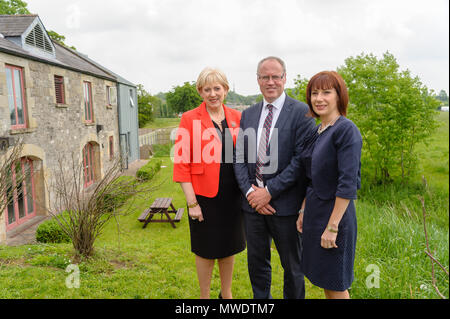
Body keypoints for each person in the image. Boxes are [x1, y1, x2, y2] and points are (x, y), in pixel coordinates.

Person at [234, 56, 315, 299]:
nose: (271, 81)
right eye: (265, 77)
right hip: (252, 207)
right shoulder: (248, 114)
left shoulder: (303, 113)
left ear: (284, 79)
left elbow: (300, 161)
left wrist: (268, 192)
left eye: (275, 76)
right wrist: (251, 194)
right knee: (257, 264)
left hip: (285, 206)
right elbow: (238, 157)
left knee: (292, 267)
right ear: (258, 81)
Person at [173, 67, 245, 299]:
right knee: (205, 250)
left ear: (225, 90)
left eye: (217, 88)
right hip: (203, 197)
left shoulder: (237, 118)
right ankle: (205, 297)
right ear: (200, 92)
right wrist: (192, 203)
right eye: (207, 89)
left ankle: (226, 294)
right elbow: (181, 164)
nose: (213, 93)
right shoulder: (189, 118)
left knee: (229, 247)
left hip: (232, 197)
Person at [296, 70, 362, 299]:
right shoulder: (318, 131)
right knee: (324, 278)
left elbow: (347, 183)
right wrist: (304, 209)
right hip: (315, 212)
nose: (319, 98)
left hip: (335, 216)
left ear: (338, 96)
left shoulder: (346, 130)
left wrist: (333, 227)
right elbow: (310, 177)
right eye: (314, 93)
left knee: (335, 282)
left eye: (326, 92)